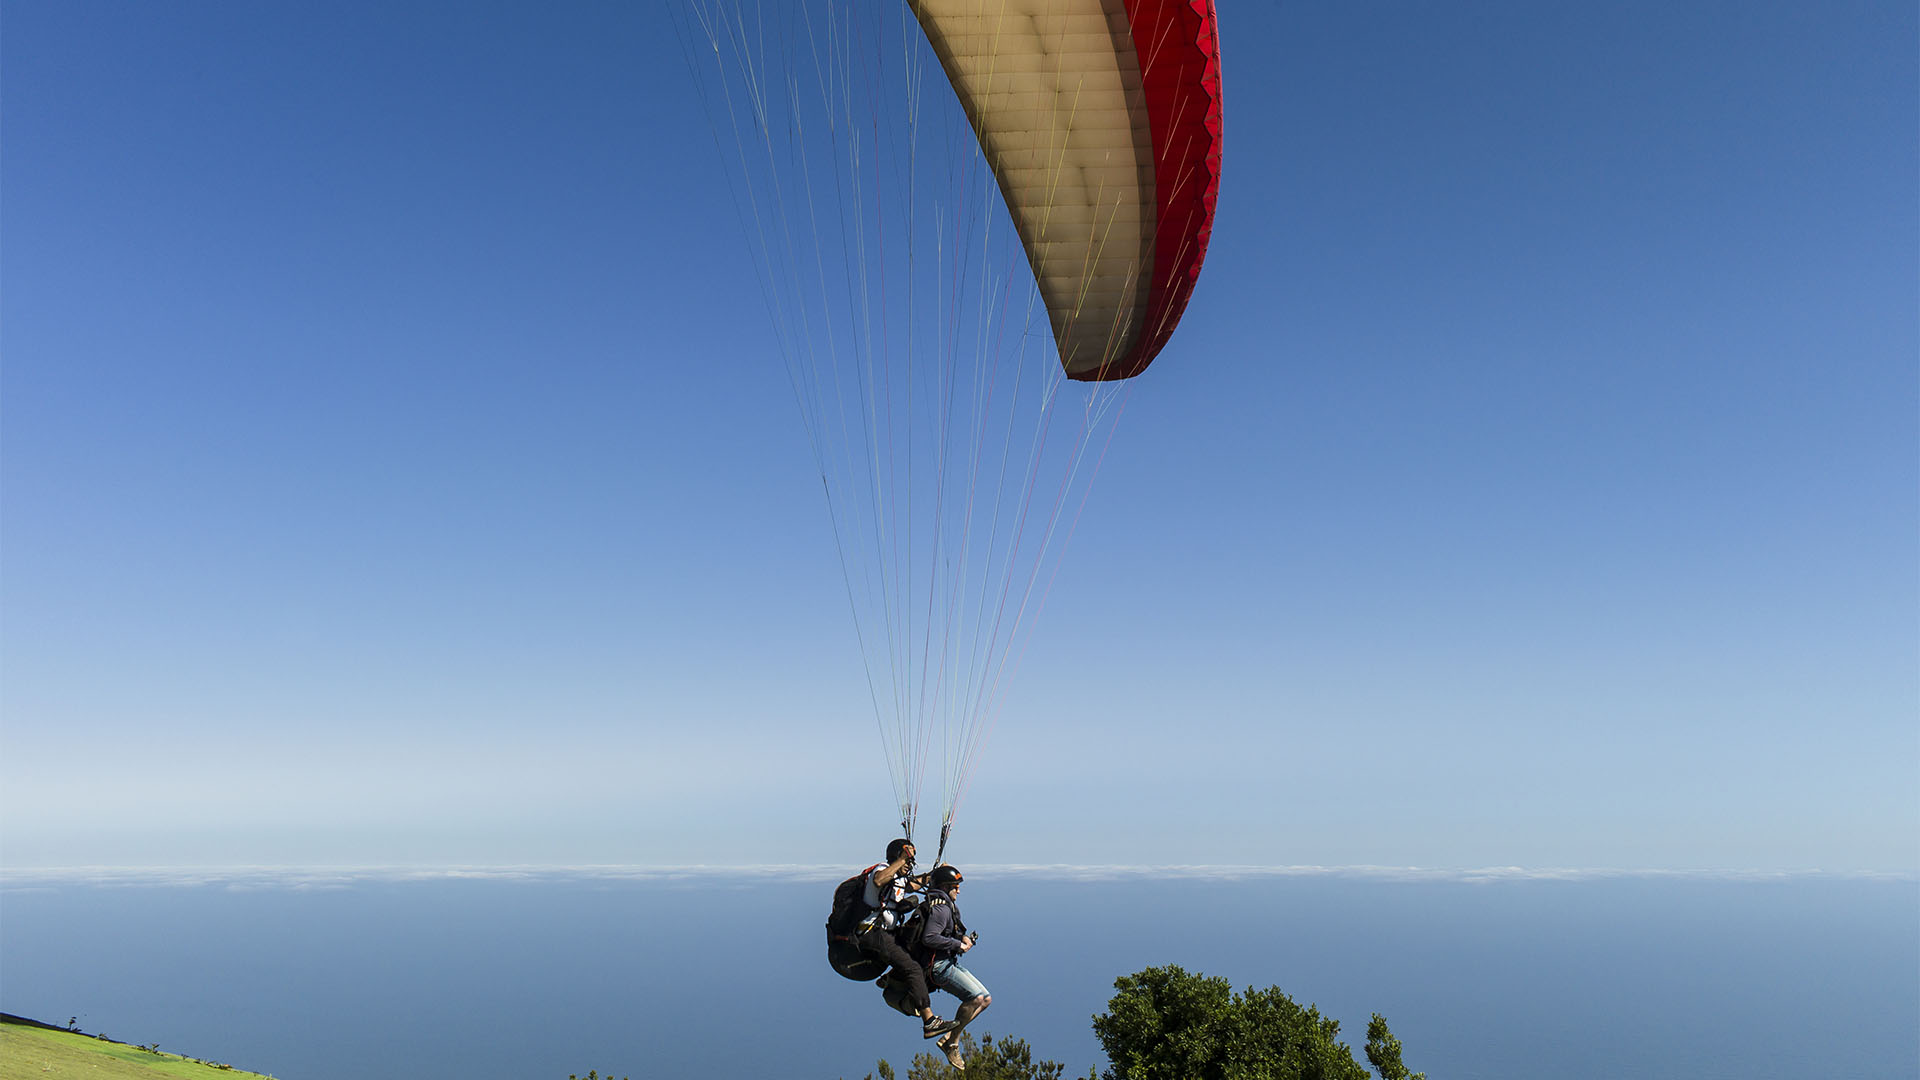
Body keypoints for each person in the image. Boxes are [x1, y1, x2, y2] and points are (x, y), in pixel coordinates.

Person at [857, 839, 954, 1040]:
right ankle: (929, 1021)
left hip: (889, 934)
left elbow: (915, 884)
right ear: (898, 858)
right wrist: (901, 860)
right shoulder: (882, 870)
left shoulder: (899, 879)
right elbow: (878, 880)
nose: (910, 865)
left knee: (915, 944)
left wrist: (936, 875)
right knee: (912, 969)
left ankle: (889, 978)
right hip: (873, 933)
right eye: (908, 861)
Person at [914, 864, 989, 1069]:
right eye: (955, 886)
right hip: (937, 966)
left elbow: (948, 932)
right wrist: (958, 945)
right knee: (976, 998)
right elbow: (930, 937)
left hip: (946, 961)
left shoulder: (945, 905)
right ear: (946, 887)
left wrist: (962, 938)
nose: (958, 890)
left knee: (986, 1000)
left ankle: (949, 1039)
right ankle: (952, 1043)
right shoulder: (942, 908)